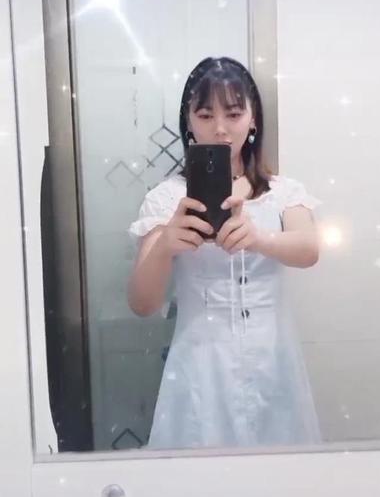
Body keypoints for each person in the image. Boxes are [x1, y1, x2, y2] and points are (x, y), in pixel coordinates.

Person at [127, 56, 322, 450]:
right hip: (201, 366)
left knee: (281, 477)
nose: (219, 128)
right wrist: (164, 245)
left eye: (233, 114)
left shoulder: (283, 192)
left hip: (274, 360)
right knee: (202, 481)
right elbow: (142, 304)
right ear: (188, 122)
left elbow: (309, 250)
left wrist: (259, 238)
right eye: (205, 115)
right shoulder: (166, 199)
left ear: (253, 120)